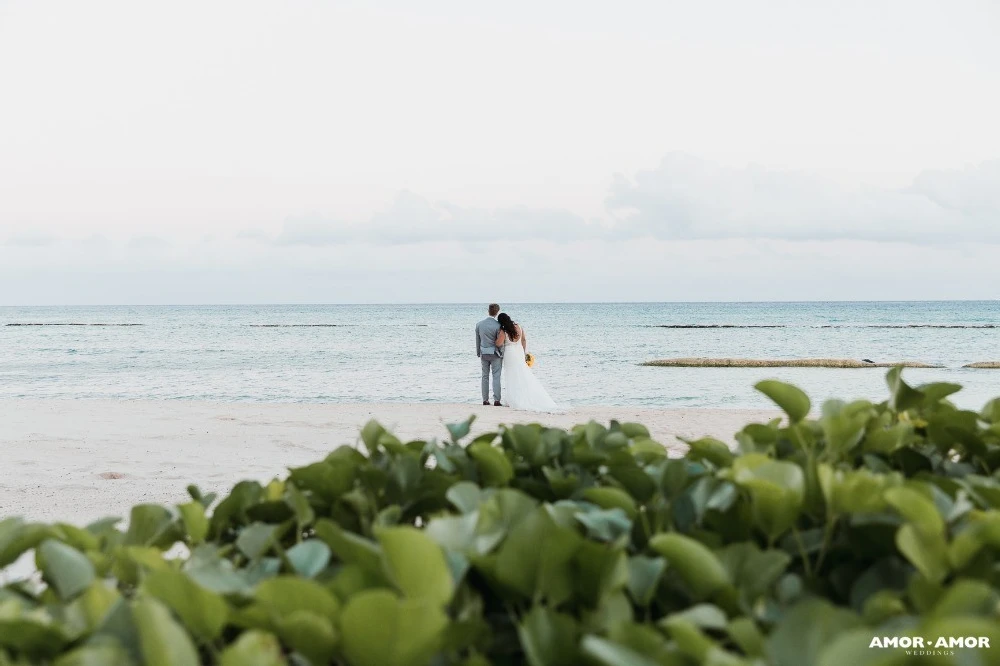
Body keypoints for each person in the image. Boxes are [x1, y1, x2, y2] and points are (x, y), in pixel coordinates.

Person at [494, 312, 560, 412]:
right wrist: (524, 352)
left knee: (511, 375)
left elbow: (498, 344)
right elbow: (524, 340)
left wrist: (495, 338)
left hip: (510, 353)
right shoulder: (519, 327)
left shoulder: (504, 331)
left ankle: (513, 399)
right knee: (522, 373)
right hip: (519, 351)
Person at [475, 303, 503, 406]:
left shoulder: (479, 324)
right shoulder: (498, 325)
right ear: (497, 312)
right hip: (495, 354)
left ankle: (485, 400)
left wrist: (478, 352)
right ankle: (497, 400)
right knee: (496, 376)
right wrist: (502, 353)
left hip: (484, 353)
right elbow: (500, 343)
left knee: (485, 376)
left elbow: (478, 340)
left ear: (488, 311)